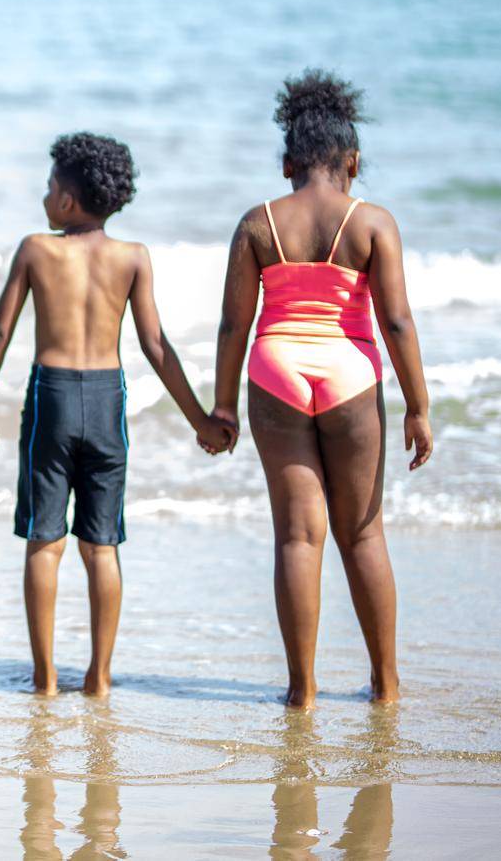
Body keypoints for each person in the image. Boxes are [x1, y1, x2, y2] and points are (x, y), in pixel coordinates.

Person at [0, 133, 235, 696]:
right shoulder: (133, 257)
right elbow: (156, 346)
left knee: (45, 538)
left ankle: (44, 677)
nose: (45, 196)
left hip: (53, 396)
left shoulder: (37, 249)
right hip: (108, 399)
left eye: (49, 187)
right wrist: (201, 421)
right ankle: (101, 675)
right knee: (102, 543)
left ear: (66, 200)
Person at [212, 69, 432, 708]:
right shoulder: (373, 222)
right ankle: (386, 685)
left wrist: (223, 405)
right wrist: (418, 407)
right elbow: (395, 321)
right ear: (353, 162)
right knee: (362, 532)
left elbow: (234, 322)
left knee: (296, 537)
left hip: (275, 370)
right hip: (350, 373)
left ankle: (301, 692)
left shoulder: (257, 223)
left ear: (288, 164)